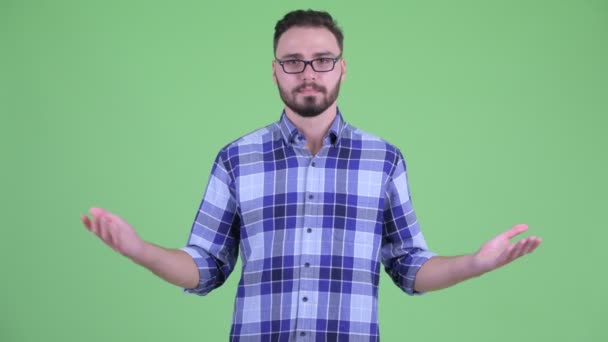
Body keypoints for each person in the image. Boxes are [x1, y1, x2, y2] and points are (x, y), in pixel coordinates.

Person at [80, 9, 542, 341]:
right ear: (275, 71)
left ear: (342, 67)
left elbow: (410, 266)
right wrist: (138, 250)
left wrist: (475, 264)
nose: (308, 72)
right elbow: (205, 265)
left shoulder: (385, 160)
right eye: (293, 61)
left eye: (323, 59)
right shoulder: (236, 158)